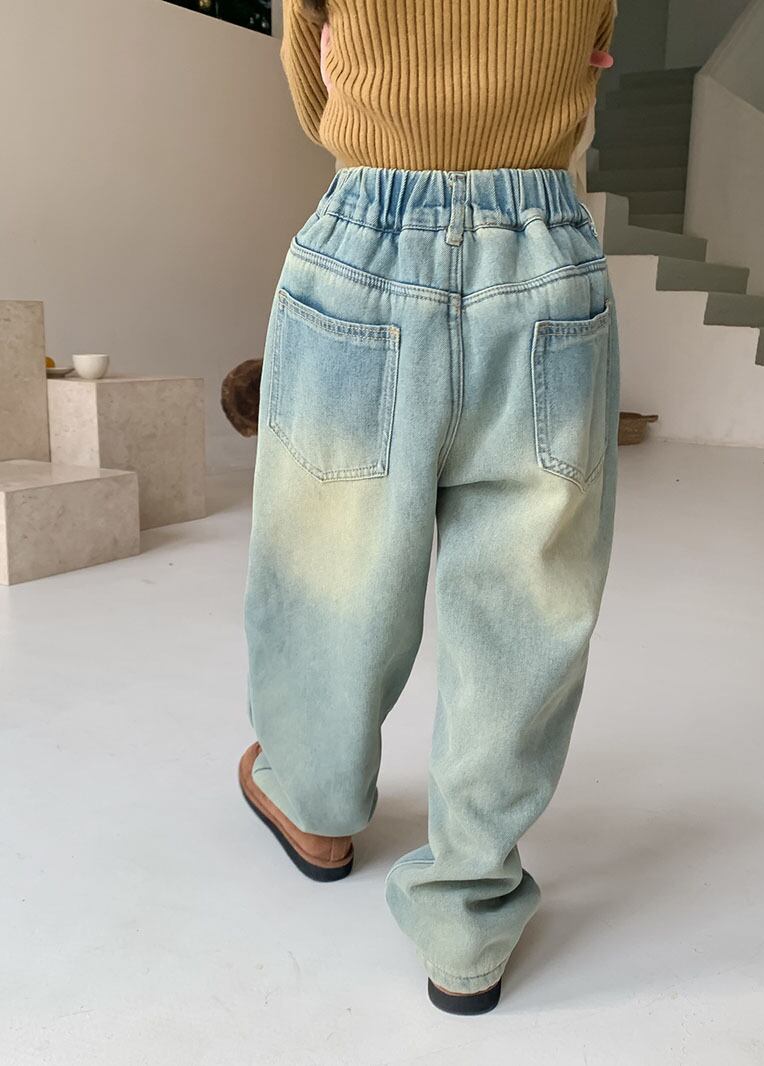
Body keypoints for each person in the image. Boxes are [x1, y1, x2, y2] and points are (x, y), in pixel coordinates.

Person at [240, 0, 619, 1015]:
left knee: (331, 559)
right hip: (543, 250)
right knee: (526, 599)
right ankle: (467, 920)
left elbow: (311, 83)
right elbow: (588, 45)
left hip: (368, 236)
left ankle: (313, 803)